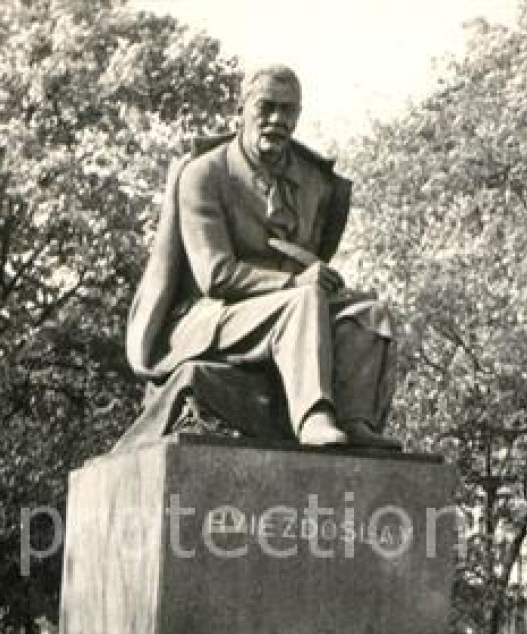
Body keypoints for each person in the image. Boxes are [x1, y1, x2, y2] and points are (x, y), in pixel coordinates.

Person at [118, 65, 399, 449]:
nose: (276, 119)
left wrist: (318, 282)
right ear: (241, 110)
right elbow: (215, 275)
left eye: (288, 110)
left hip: (290, 309)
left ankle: (355, 420)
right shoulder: (204, 174)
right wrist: (293, 284)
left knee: (370, 313)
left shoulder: (315, 183)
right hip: (213, 313)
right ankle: (314, 415)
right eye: (266, 107)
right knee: (302, 301)